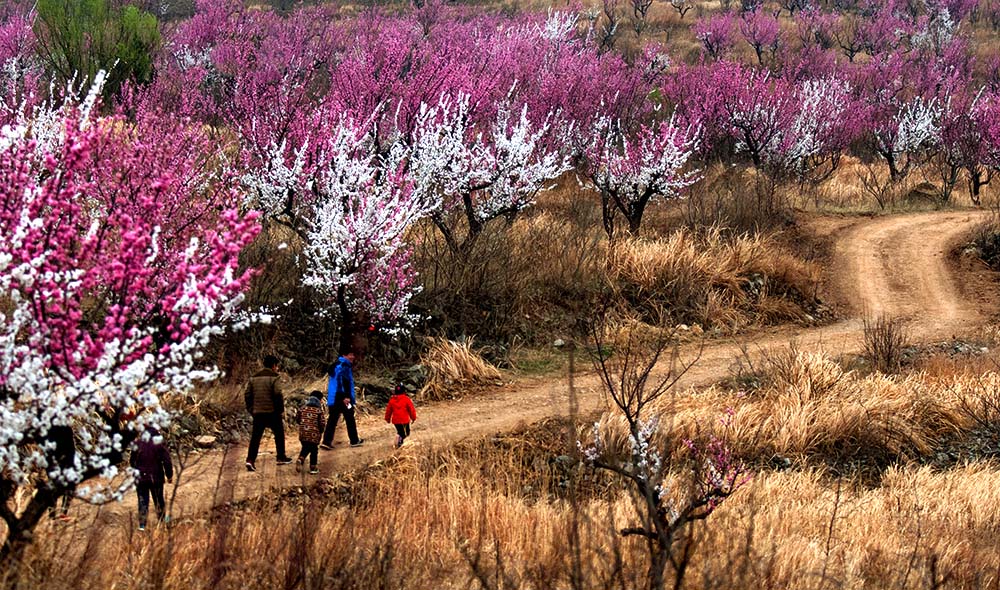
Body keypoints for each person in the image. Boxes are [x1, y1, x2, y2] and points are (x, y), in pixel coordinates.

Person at [244, 354, 293, 471]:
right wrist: (280, 410)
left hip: (258, 413)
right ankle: (281, 457)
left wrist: (251, 409)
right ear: (273, 366)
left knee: (256, 437)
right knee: (279, 434)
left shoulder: (253, 377)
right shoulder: (275, 377)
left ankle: (250, 460)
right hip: (272, 412)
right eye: (277, 366)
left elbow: (247, 395)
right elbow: (278, 395)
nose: (277, 368)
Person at [129, 427, 173, 531]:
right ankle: (162, 523)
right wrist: (169, 475)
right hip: (156, 478)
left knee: (143, 501)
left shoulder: (137, 444)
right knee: (158, 500)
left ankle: (142, 526)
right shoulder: (159, 444)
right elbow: (167, 461)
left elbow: (132, 462)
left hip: (141, 479)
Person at [320, 351, 364, 449]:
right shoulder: (343, 366)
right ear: (344, 355)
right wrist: (346, 397)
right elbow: (343, 382)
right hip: (342, 398)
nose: (353, 357)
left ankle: (326, 442)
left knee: (332, 419)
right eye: (350, 354)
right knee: (349, 418)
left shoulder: (336, 365)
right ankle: (354, 440)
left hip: (333, 397)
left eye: (353, 354)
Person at [296, 391, 326, 475]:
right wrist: (321, 430)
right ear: (319, 400)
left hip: (303, 434)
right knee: (314, 450)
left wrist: (302, 426)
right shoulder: (319, 411)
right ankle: (313, 467)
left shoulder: (302, 408)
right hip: (314, 435)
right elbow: (322, 423)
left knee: (305, 447)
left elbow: (298, 419)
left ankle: (301, 459)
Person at [384, 384, 417, 448]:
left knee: (400, 431)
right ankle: (399, 441)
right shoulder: (406, 399)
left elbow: (388, 411)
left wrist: (387, 419)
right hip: (404, 420)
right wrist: (413, 417)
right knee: (406, 433)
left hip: (396, 421)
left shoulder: (392, 400)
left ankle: (400, 442)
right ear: (404, 391)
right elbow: (411, 409)